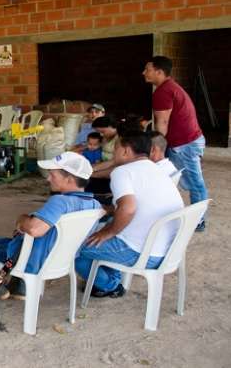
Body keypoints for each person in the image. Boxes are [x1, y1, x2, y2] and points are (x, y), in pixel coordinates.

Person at [0, 152, 102, 299]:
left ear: (69, 179)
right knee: (25, 238)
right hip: (60, 260)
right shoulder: (95, 205)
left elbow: (34, 229)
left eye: (53, 175)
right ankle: (19, 287)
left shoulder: (60, 201)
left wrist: (22, 219)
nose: (48, 178)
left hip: (31, 261)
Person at [75, 131, 183, 297]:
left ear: (126, 151)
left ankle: (109, 285)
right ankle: (110, 278)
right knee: (101, 231)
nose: (113, 153)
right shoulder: (157, 169)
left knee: (72, 247)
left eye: (116, 149)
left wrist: (108, 232)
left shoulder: (122, 171)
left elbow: (128, 208)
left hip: (142, 253)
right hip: (167, 251)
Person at [144, 56, 208, 231]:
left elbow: (162, 123)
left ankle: (199, 221)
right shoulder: (170, 87)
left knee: (195, 183)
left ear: (159, 71)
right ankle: (161, 215)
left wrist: (157, 148)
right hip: (187, 141)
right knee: (169, 178)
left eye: (147, 69)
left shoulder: (163, 92)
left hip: (184, 144)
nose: (144, 73)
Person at [85, 116, 120, 197]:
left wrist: (93, 170)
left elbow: (114, 162)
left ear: (111, 126)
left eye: (103, 131)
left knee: (87, 180)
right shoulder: (105, 137)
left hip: (112, 169)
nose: (101, 134)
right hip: (102, 165)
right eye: (98, 132)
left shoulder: (119, 139)